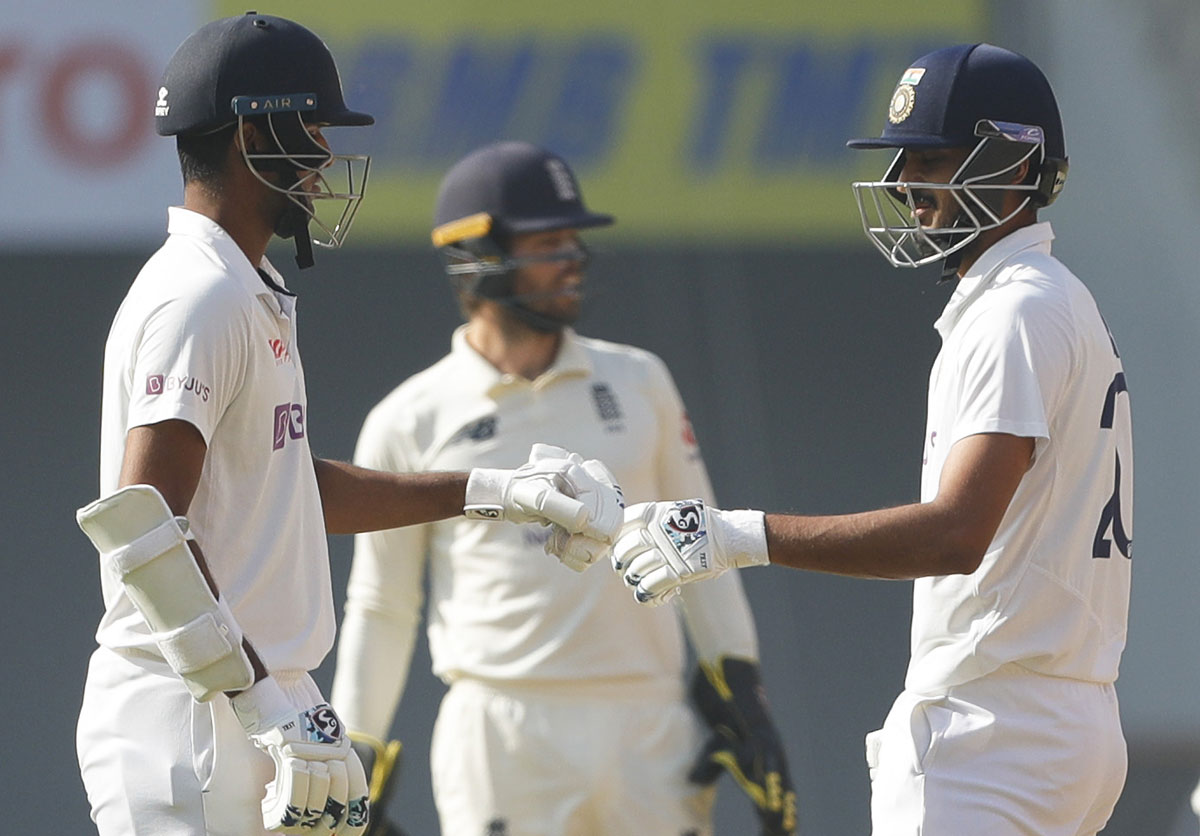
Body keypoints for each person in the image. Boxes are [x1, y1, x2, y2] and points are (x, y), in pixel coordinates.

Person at [73, 16, 620, 836]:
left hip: (248, 691)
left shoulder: (241, 283)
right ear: (253, 131)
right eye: (313, 128)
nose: (326, 155)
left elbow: (286, 486)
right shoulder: (200, 295)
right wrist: (261, 698)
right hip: (192, 709)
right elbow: (140, 523)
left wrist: (498, 490)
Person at [611, 43, 1132, 836]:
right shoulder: (1057, 299)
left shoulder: (1013, 312)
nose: (902, 185)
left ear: (1014, 167)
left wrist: (731, 536)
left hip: (992, 732)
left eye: (929, 158)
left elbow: (958, 532)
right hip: (1066, 720)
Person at [330, 140, 796, 836]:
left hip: (649, 720)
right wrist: (356, 746)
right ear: (478, 255)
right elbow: (383, 603)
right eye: (548, 241)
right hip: (503, 729)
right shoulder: (409, 417)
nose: (572, 259)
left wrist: (744, 692)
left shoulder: (641, 381)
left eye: (574, 240)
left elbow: (707, 543)